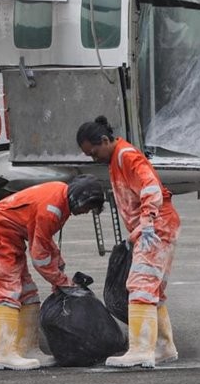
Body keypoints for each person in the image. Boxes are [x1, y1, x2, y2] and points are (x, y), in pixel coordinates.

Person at [76, 116, 181, 368]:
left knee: (141, 286)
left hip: (155, 227)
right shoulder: (118, 158)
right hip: (159, 226)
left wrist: (147, 221)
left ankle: (141, 350)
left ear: (104, 140)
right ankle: (163, 346)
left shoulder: (126, 156)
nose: (94, 159)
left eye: (94, 153)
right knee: (153, 289)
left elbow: (151, 187)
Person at [0, 176, 106, 370]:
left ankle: (27, 349)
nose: (86, 212)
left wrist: (58, 266)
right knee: (6, 293)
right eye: (87, 207)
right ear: (79, 200)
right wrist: (61, 281)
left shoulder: (61, 196)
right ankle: (3, 354)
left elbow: (44, 240)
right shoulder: (52, 210)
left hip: (10, 239)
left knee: (29, 294)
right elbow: (40, 257)